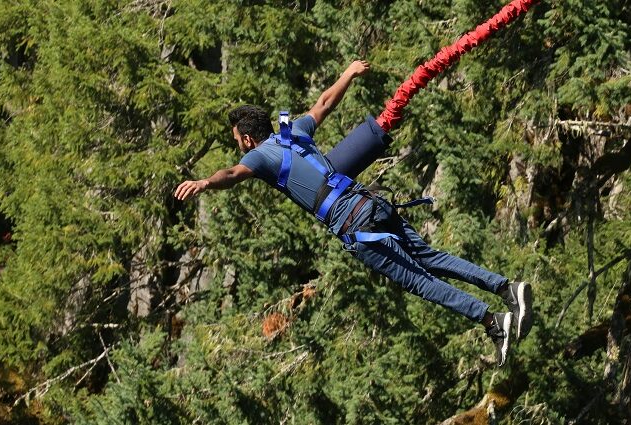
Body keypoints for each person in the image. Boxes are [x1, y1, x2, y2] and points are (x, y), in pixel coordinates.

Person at [174, 60, 533, 366]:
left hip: (352, 222)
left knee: (420, 281)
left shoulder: (258, 156)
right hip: (370, 202)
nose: (239, 147)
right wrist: (347, 73)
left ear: (247, 140)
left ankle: (492, 321)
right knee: (430, 257)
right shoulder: (292, 132)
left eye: (237, 141)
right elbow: (324, 104)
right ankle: (506, 288)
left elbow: (233, 174)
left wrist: (206, 182)